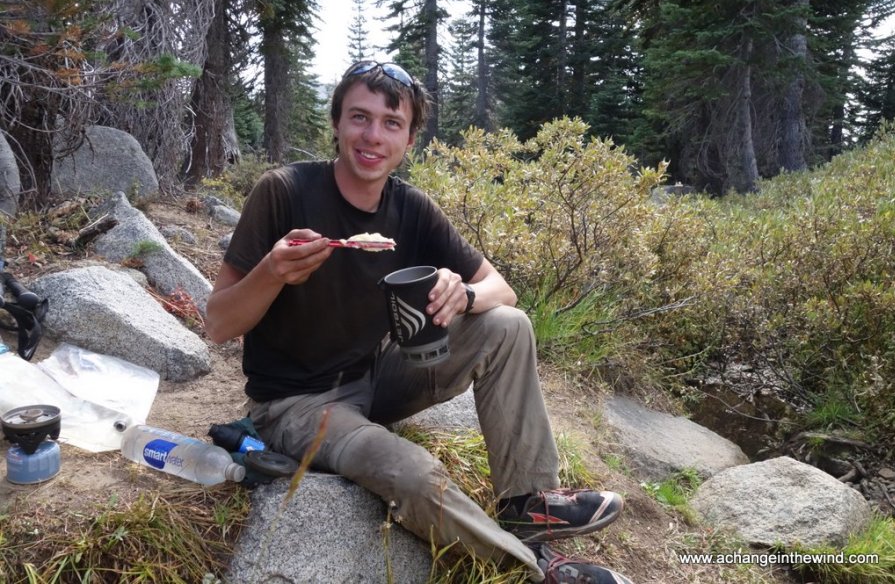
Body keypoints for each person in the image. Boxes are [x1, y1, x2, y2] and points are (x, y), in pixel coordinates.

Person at [205, 59, 633, 584]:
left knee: (508, 324)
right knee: (412, 473)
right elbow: (218, 325)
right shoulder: (285, 191)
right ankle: (532, 570)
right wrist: (271, 272)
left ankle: (526, 502)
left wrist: (465, 292)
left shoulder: (410, 208)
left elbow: (503, 289)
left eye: (391, 123)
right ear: (337, 122)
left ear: (409, 140)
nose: (373, 136)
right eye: (359, 117)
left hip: (374, 378)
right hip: (296, 404)